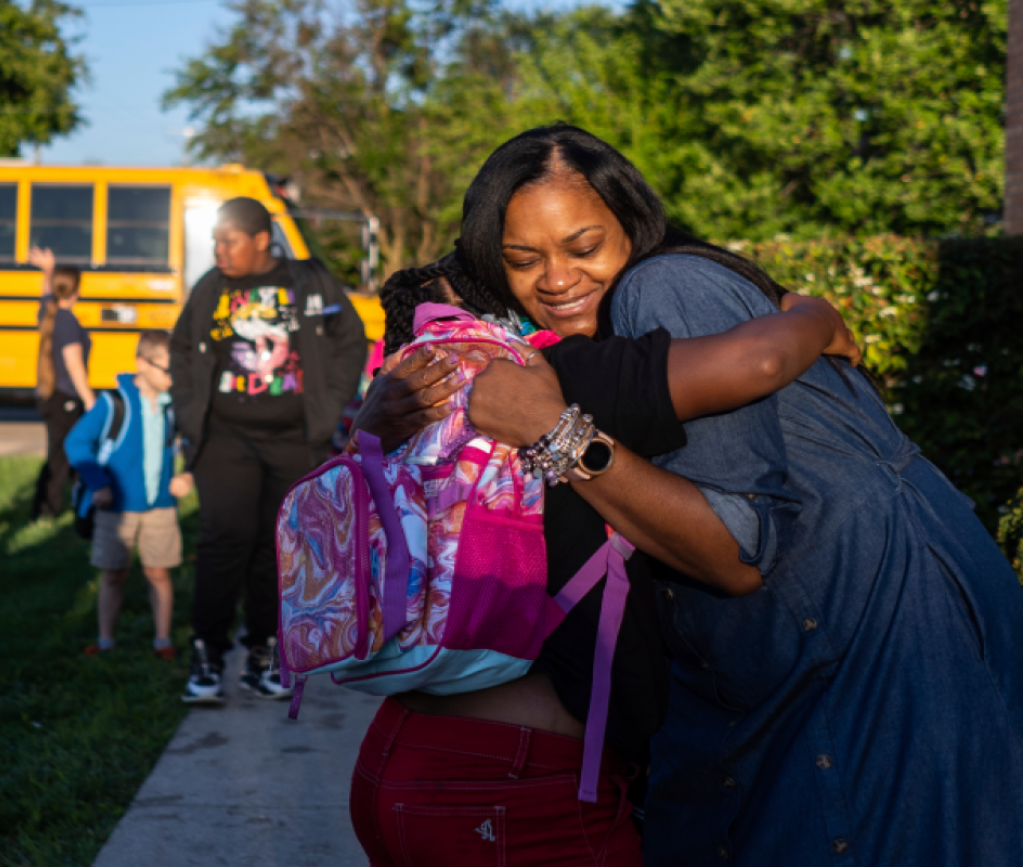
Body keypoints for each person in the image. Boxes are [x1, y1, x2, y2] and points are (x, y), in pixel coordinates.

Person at [381, 123, 1023, 866]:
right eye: (524, 260)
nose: (556, 279)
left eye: (584, 247)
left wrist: (556, 434)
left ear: (634, 223)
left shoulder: (664, 286)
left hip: (873, 646)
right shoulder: (603, 338)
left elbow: (734, 549)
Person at [347, 257, 858, 866]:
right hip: (517, 784)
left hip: (394, 755)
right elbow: (758, 361)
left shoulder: (403, 396)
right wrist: (816, 315)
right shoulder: (556, 377)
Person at [170, 196, 366, 703]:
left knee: (275, 549)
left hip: (293, 440)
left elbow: (350, 339)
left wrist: (327, 408)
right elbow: (181, 347)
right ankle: (207, 656)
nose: (219, 250)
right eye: (215, 240)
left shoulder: (308, 281)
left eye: (228, 240)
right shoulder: (212, 287)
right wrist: (193, 410)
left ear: (261, 239)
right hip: (225, 438)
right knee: (224, 539)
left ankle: (262, 653)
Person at [65, 330, 193, 659]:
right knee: (113, 574)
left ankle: (162, 640)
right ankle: (106, 641)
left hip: (160, 505)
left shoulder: (173, 406)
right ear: (141, 364)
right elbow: (76, 444)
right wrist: (98, 483)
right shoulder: (113, 404)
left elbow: (193, 442)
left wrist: (187, 473)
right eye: (168, 369)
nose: (174, 376)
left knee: (159, 572)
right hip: (116, 508)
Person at [30, 246, 94, 521]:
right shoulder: (67, 321)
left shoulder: (51, 312)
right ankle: (47, 511)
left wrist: (48, 270)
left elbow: (46, 293)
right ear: (77, 290)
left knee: (63, 454)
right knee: (64, 457)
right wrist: (90, 400)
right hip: (66, 397)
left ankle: (76, 505)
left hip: (52, 396)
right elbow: (74, 364)